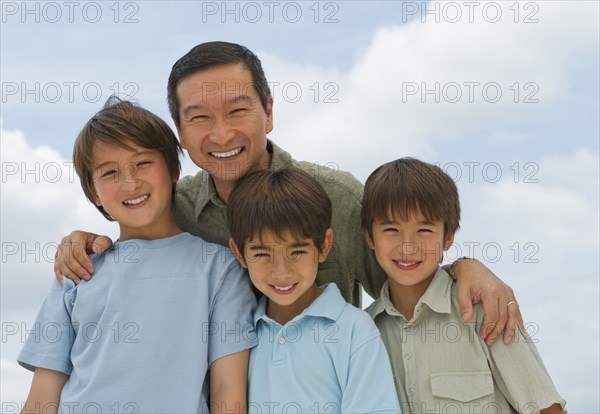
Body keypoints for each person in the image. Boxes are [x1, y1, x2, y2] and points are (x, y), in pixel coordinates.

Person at [54, 41, 522, 345]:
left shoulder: (337, 198)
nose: (221, 134)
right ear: (179, 130)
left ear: (269, 111)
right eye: (199, 118)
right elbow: (130, 235)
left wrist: (463, 267)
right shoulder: (172, 207)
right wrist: (86, 239)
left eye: (238, 110)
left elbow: (408, 282)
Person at [19, 98, 256, 413]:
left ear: (172, 169)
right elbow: (40, 401)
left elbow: (229, 393)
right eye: (109, 172)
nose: (130, 182)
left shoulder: (220, 269)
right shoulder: (78, 271)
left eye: (143, 163)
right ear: (93, 193)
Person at [363, 158, 566, 413]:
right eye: (391, 229)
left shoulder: (487, 312)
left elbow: (546, 409)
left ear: (448, 238)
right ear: (369, 236)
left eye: (424, 230)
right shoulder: (363, 332)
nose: (408, 246)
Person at [227, 166, 401, 413]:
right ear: (239, 253)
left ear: (324, 246)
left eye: (297, 251)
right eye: (262, 253)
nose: (281, 272)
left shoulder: (354, 329)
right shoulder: (240, 334)